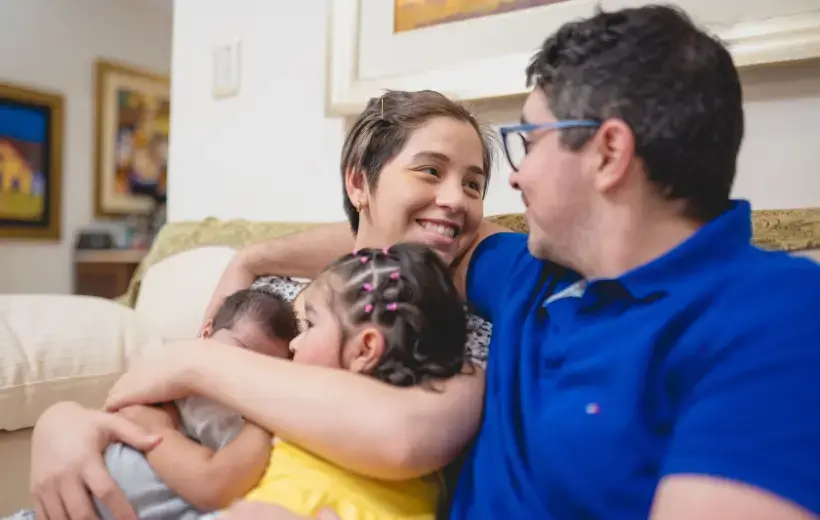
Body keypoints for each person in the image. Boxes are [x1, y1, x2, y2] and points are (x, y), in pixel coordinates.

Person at [117, 5, 820, 520]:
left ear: (608, 153)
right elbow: (392, 244)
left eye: (529, 142)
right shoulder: (524, 271)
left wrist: (196, 362)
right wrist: (255, 256)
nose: (515, 178)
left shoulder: (776, 314)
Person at [19, 89, 502, 520]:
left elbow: (404, 439)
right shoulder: (276, 295)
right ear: (359, 183)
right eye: (430, 170)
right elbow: (162, 399)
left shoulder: (459, 335)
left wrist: (195, 358)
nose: (456, 199)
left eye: (473, 185)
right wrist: (61, 423)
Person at [186, 243, 469, 519]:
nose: (294, 343)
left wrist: (160, 426)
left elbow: (212, 479)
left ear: (364, 350)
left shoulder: (290, 414)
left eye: (310, 324)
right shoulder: (435, 469)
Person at [97, 288, 298, 520]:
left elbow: (222, 479)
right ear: (206, 332)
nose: (244, 373)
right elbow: (121, 400)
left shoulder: (240, 418)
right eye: (240, 353)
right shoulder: (169, 362)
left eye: (262, 369)